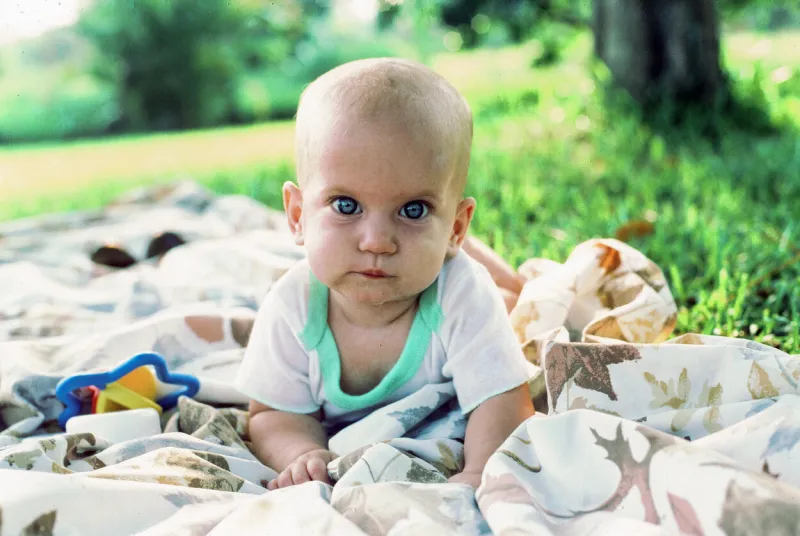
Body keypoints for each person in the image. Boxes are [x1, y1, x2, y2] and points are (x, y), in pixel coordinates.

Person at [234, 57, 536, 491]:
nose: (377, 241)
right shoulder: (292, 307)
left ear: (456, 226)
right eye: (345, 205)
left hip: (465, 298)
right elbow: (272, 413)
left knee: (514, 301)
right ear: (298, 215)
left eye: (413, 210)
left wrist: (479, 474)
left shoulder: (461, 293)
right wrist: (301, 453)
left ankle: (503, 276)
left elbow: (503, 400)